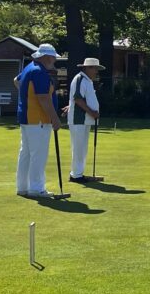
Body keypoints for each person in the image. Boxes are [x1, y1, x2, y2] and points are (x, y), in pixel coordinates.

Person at [13, 43, 62, 199]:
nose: (54, 60)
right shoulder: (39, 72)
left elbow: (16, 80)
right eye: (53, 57)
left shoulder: (29, 68)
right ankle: (36, 188)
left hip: (27, 117)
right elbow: (43, 98)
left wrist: (27, 98)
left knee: (26, 153)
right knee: (38, 154)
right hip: (38, 119)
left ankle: (23, 187)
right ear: (47, 57)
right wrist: (55, 118)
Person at [65, 58, 103, 182]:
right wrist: (92, 112)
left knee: (82, 148)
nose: (96, 71)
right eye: (94, 68)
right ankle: (75, 175)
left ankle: (78, 173)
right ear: (87, 68)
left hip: (85, 120)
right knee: (78, 147)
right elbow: (78, 98)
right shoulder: (80, 79)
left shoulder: (88, 81)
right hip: (78, 119)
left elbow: (78, 99)